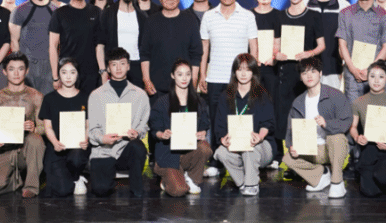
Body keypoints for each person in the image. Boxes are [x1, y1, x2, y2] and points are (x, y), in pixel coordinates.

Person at [337, 0, 386, 172]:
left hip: (376, 75)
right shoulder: (345, 14)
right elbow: (342, 44)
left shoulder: (384, 15)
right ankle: (354, 160)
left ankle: (376, 159)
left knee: (376, 115)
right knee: (353, 115)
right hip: (352, 74)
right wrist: (353, 68)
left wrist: (372, 70)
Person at [198, 0, 258, 162]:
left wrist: (253, 75)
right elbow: (204, 48)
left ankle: (240, 159)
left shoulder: (247, 16)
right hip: (215, 78)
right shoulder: (209, 16)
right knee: (216, 119)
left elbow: (254, 47)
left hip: (240, 79)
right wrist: (202, 74)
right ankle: (217, 160)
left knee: (239, 118)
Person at [275, 0, 325, 167]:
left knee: (304, 114)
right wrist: (278, 54)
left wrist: (308, 53)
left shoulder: (314, 16)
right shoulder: (280, 16)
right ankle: (286, 158)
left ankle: (304, 159)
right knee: (285, 114)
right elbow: (276, 46)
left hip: (306, 73)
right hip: (285, 72)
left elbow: (321, 45)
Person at [87, 48, 150, 197]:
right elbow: (92, 129)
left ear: (128, 66)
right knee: (100, 190)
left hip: (126, 149)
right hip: (104, 151)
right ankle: (108, 177)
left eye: (122, 63)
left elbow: (144, 125)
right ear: (108, 68)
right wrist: (102, 138)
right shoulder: (96, 95)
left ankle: (137, 190)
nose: (118, 68)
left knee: (138, 147)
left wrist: (137, 132)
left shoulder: (140, 95)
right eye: (114, 64)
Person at [285, 56, 350, 198]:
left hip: (331, 148)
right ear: (300, 77)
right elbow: (292, 129)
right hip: (310, 150)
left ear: (320, 73)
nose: (309, 76)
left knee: (336, 138)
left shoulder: (335, 95)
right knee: (288, 158)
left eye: (313, 71)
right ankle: (322, 175)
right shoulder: (298, 102)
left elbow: (346, 121)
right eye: (304, 73)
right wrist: (292, 146)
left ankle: (337, 182)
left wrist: (327, 124)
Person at [0, 53, 46, 198]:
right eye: (11, 69)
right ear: (4, 72)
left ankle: (31, 186)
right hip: (4, 149)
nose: (16, 73)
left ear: (27, 71)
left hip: (26, 148)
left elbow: (44, 128)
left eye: (20, 69)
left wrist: (34, 128)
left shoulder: (36, 96)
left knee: (36, 140)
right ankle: (16, 181)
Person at [213, 54, 276, 196]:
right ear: (234, 71)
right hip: (236, 147)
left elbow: (268, 122)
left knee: (250, 149)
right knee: (220, 152)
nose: (243, 74)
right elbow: (220, 126)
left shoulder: (262, 94)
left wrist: (260, 137)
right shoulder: (225, 96)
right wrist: (223, 139)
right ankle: (242, 182)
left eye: (247, 70)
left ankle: (252, 184)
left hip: (261, 146)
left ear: (253, 72)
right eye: (240, 69)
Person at [149, 59, 212, 196]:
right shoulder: (162, 102)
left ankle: (192, 179)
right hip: (168, 155)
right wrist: (162, 134)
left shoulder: (198, 101)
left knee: (205, 148)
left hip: (189, 151)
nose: (184, 78)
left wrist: (202, 132)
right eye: (180, 74)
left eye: (188, 74)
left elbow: (204, 124)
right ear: (173, 75)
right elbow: (154, 129)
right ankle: (165, 178)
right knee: (179, 191)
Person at [140, 0, 203, 100]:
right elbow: (144, 54)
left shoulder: (190, 20)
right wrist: (146, 79)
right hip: (156, 88)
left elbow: (196, 54)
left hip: (184, 86)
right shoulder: (151, 21)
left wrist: (194, 80)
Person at [350, 60, 386, 197]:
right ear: (367, 78)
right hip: (369, 147)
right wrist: (357, 137)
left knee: (382, 178)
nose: (376, 80)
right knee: (368, 191)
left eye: (381, 76)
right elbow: (353, 127)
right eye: (372, 76)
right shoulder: (358, 102)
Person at [39, 57, 90, 197]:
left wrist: (85, 139)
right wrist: (55, 142)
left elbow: (88, 124)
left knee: (77, 157)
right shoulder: (49, 98)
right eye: (64, 72)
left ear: (77, 74)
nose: (68, 77)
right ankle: (70, 178)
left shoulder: (85, 97)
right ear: (58, 75)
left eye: (72, 72)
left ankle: (77, 177)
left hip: (77, 148)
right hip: (57, 148)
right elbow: (47, 127)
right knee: (63, 191)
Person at [49, 0, 105, 92]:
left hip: (91, 73)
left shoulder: (96, 12)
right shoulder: (59, 13)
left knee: (90, 104)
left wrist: (103, 71)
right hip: (67, 73)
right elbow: (53, 46)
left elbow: (99, 46)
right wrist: (55, 76)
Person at [302, 0, 351, 91]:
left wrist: (345, 65)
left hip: (333, 70)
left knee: (331, 103)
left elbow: (348, 39)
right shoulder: (304, 3)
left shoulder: (344, 6)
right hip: (307, 69)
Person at [10, 0, 56, 96]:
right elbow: (14, 41)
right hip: (27, 66)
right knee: (26, 104)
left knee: (47, 104)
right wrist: (19, 67)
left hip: (49, 67)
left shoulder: (56, 11)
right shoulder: (19, 11)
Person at [97, 0, 148, 88]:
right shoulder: (107, 14)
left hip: (136, 68)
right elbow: (100, 46)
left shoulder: (143, 17)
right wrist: (103, 71)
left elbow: (147, 49)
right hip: (115, 66)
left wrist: (146, 76)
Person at [251, 0, 281, 165]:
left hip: (271, 69)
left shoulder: (278, 15)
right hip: (252, 71)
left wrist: (274, 57)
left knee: (272, 108)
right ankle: (251, 147)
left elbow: (279, 41)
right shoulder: (248, 15)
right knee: (253, 107)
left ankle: (276, 154)